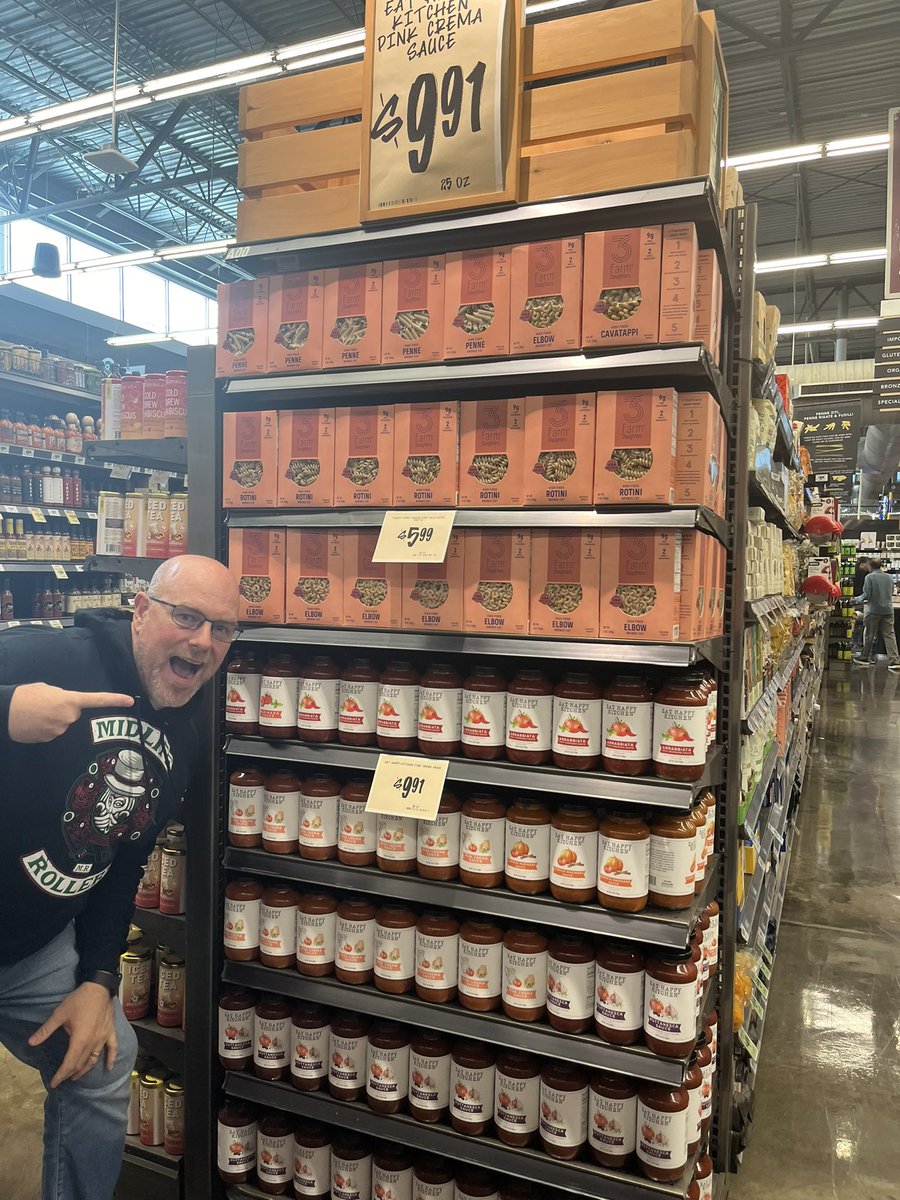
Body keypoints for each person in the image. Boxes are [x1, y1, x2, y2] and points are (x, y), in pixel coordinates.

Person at [0, 555, 239, 1200]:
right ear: (140, 610)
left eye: (222, 629)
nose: (202, 642)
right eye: (186, 618)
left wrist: (99, 979)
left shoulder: (182, 728)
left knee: (104, 1063)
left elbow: (123, 854)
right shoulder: (39, 659)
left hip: (28, 952)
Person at [854, 557, 900, 670]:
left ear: (870, 566)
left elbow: (867, 594)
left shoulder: (869, 577)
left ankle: (865, 657)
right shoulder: (889, 577)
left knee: (870, 634)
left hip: (874, 610)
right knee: (889, 635)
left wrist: (856, 599)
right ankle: (895, 661)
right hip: (888, 610)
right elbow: (891, 591)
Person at [851, 557, 871, 655]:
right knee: (855, 621)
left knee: (861, 623)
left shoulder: (868, 574)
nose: (869, 566)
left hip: (862, 599)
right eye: (867, 564)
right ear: (862, 564)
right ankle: (855, 643)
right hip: (856, 599)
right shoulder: (855, 572)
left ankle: (858, 643)